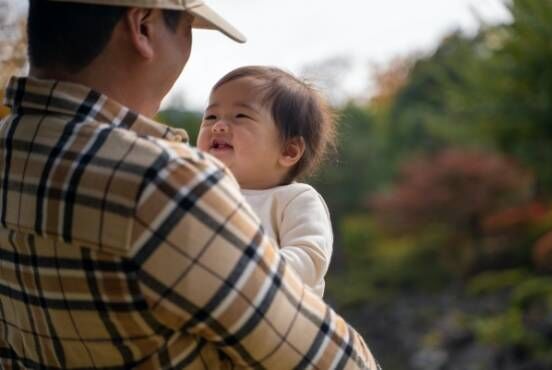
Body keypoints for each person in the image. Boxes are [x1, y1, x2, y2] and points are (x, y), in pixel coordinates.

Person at [0, 0, 379, 369]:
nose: (217, 124)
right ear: (143, 26)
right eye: (185, 27)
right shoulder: (163, 182)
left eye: (241, 116)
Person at [197, 66, 335, 298]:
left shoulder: (296, 199)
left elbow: (311, 258)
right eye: (211, 116)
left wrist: (248, 266)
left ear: (289, 150)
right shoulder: (198, 192)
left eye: (240, 116)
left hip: (278, 320)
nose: (218, 126)